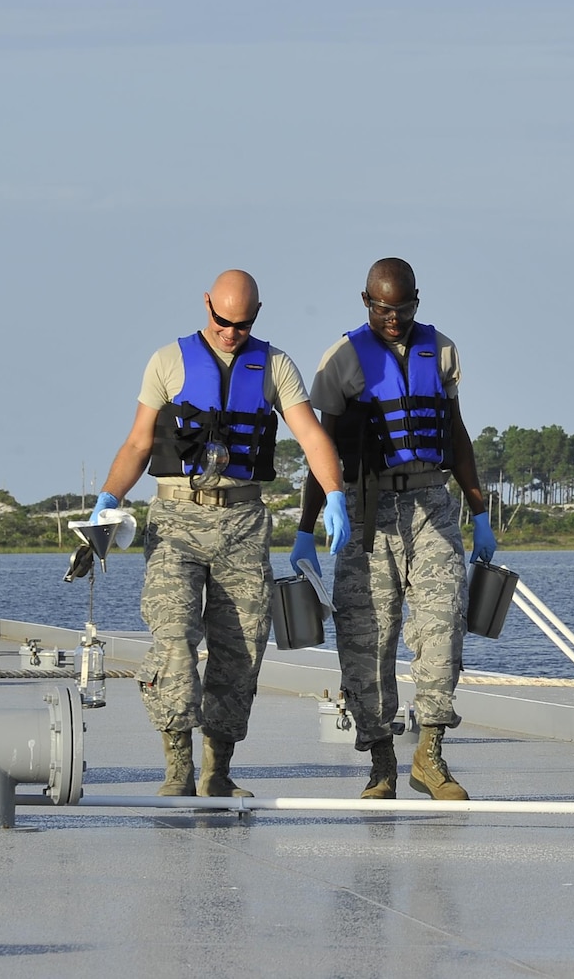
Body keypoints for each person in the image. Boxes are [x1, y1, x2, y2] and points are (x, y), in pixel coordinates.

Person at [92, 269, 351, 797]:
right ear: (206, 304)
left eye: (242, 323)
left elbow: (311, 435)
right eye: (221, 320)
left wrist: (335, 494)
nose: (231, 332)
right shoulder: (167, 360)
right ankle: (176, 768)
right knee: (175, 640)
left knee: (240, 649)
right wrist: (108, 500)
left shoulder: (275, 365)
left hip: (243, 523)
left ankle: (218, 770)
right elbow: (139, 443)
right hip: (176, 522)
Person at [296, 257, 496, 801]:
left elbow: (456, 435)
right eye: (383, 308)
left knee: (441, 625)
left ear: (416, 301)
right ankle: (381, 760)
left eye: (402, 308)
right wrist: (306, 530)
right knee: (367, 636)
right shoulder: (341, 362)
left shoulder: (443, 351)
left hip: (431, 500)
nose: (393, 317)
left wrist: (478, 513)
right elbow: (323, 451)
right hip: (366, 511)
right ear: (366, 301)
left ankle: (430, 754)